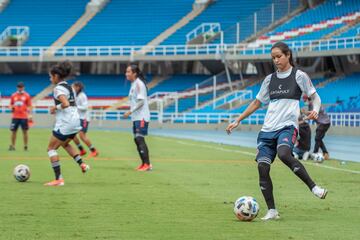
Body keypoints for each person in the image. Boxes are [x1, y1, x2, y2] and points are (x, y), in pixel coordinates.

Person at [226, 42, 327, 221]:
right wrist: (238, 120)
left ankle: (314, 187)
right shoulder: (269, 79)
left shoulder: (299, 76)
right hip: (267, 130)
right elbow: (256, 103)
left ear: (288, 55)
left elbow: (315, 96)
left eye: (279, 56)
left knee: (284, 154)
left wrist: (316, 110)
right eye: (273, 57)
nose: (276, 60)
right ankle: (272, 211)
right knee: (262, 167)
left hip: (287, 127)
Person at [45, 61, 90, 186]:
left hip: (66, 122)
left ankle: (59, 179)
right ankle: (82, 164)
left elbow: (65, 104)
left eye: (51, 76)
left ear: (56, 76)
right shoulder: (70, 87)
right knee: (65, 144)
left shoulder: (58, 88)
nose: (50, 78)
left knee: (51, 149)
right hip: (75, 121)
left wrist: (55, 108)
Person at [123, 64, 152, 171]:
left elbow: (141, 101)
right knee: (137, 139)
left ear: (134, 73)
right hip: (136, 117)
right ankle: (144, 163)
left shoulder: (139, 84)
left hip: (142, 116)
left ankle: (147, 164)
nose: (126, 74)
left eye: (128, 72)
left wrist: (130, 111)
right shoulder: (134, 84)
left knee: (139, 138)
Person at [72, 81, 99, 157]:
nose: (72, 88)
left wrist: (75, 106)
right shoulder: (76, 95)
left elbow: (85, 107)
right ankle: (81, 150)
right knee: (71, 134)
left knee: (82, 135)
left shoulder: (82, 96)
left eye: (73, 87)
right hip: (78, 117)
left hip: (84, 118)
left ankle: (94, 150)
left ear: (78, 87)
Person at [303, 95, 331, 160]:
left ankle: (315, 153)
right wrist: (306, 113)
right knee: (318, 139)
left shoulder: (313, 104)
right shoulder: (311, 105)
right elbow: (312, 114)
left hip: (324, 123)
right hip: (323, 123)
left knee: (317, 138)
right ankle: (325, 153)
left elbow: (313, 114)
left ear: (308, 99)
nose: (304, 101)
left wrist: (305, 116)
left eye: (305, 100)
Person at [9, 82, 32, 151]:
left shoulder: (27, 95)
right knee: (13, 131)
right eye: (19, 87)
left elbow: (30, 106)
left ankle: (25, 146)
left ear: (23, 87)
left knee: (25, 132)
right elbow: (10, 104)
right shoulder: (13, 95)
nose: (20, 88)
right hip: (15, 117)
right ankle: (13, 146)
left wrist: (30, 114)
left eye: (21, 87)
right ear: (17, 87)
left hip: (24, 117)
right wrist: (11, 107)